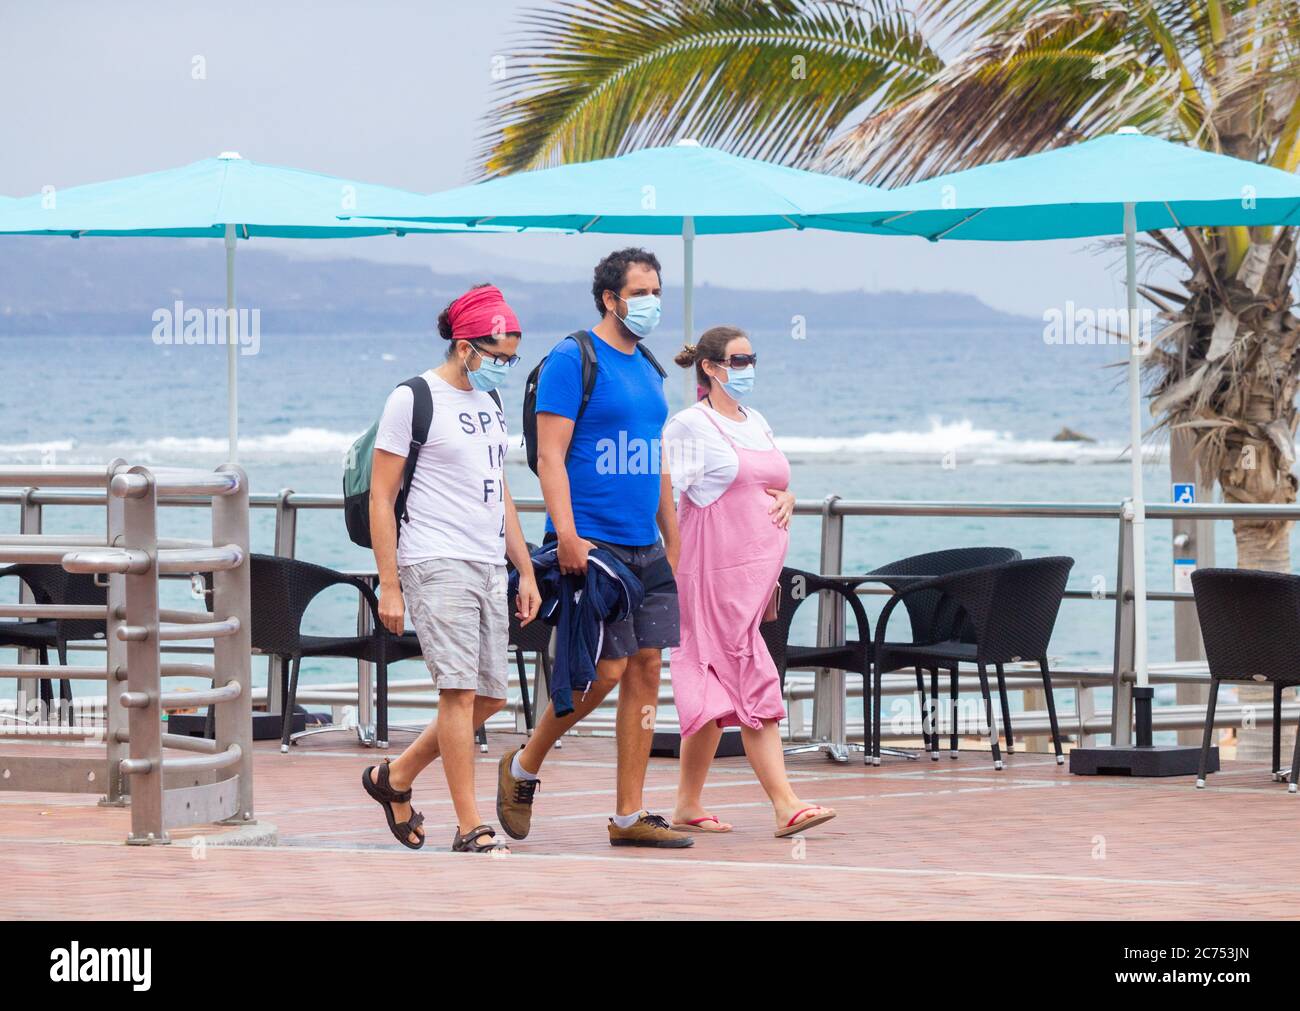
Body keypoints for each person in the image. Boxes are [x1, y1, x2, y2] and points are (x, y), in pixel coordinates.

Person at [496, 248, 692, 849]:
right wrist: (568, 534)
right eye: (641, 292)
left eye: (657, 290)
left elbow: (654, 458)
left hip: (645, 546)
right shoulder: (571, 358)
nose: (652, 301)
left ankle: (629, 816)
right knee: (603, 673)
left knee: (648, 669)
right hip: (593, 543)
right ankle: (524, 766)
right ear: (610, 298)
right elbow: (549, 456)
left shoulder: (651, 367)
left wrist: (674, 541)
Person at [362, 283, 541, 854]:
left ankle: (394, 778)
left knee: (489, 696)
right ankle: (470, 827)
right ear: (466, 346)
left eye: (511, 358)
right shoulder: (413, 398)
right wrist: (389, 585)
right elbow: (381, 497)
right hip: (434, 560)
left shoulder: (488, 403)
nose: (504, 367)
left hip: (488, 560)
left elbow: (500, 490)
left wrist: (525, 569)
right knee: (458, 694)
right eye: (498, 356)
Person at [666, 326, 837, 838]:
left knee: (716, 687)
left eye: (752, 359)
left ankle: (686, 805)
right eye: (738, 361)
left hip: (753, 583)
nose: (748, 368)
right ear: (710, 368)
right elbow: (664, 499)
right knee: (751, 679)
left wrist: (788, 497)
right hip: (709, 580)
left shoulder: (754, 420)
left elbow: (770, 481)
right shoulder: (689, 426)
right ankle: (785, 805)